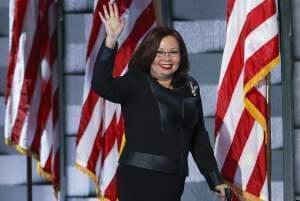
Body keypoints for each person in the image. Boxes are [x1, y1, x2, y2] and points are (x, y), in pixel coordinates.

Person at [92, 3, 229, 201]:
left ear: (181, 56)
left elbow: (198, 137)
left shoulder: (190, 86)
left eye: (173, 52)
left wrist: (215, 179)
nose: (167, 58)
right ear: (148, 54)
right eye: (159, 52)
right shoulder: (136, 82)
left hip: (174, 180)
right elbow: (101, 85)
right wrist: (111, 39)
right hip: (139, 179)